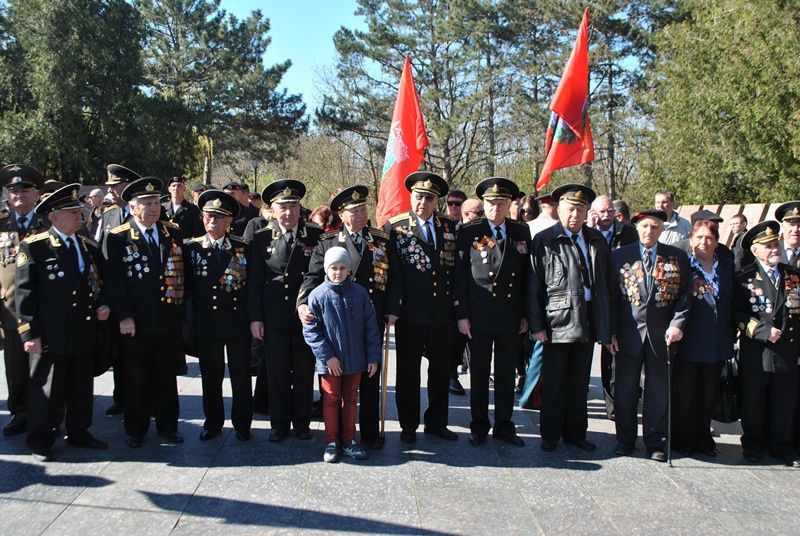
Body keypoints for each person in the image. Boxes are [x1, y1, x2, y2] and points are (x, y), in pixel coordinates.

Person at [298, 185, 400, 449]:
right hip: (335, 322)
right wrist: (302, 303)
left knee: (368, 377)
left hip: (369, 319)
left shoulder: (380, 239)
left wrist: (393, 308)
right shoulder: (328, 241)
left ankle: (368, 433)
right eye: (354, 211)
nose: (360, 215)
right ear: (341, 215)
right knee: (337, 383)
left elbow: (394, 278)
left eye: (363, 209)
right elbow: (311, 278)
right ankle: (338, 434)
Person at [15, 184, 110, 461]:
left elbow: (99, 281)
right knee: (47, 389)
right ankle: (40, 439)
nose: (78, 216)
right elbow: (25, 293)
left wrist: (104, 303)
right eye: (71, 213)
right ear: (54, 217)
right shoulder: (34, 246)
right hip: (51, 331)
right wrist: (29, 333)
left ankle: (79, 430)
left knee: (81, 385)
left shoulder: (86, 245)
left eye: (78, 211)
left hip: (82, 327)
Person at [527, 184, 613, 452]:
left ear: (587, 212)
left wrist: (606, 326)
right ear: (559, 210)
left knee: (579, 383)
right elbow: (533, 286)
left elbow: (606, 284)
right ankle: (550, 435)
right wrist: (536, 325)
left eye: (580, 209)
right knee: (554, 382)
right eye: (570, 209)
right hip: (557, 321)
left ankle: (576, 433)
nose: (575, 215)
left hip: (588, 319)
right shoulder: (544, 240)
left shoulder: (596, 239)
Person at [103, 177, 186, 447]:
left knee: (165, 376)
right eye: (146, 203)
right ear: (132, 207)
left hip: (167, 319)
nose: (154, 208)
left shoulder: (171, 232)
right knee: (136, 378)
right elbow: (114, 282)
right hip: (136, 322)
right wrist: (124, 316)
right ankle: (136, 430)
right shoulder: (118, 237)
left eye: (156, 203)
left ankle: (168, 426)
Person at [609, 209, 691, 462]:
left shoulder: (676, 257)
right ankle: (625, 439)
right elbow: (610, 298)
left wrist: (677, 324)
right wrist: (610, 332)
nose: (649, 231)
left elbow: (684, 295)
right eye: (645, 226)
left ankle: (656, 442)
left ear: (662, 229)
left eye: (655, 227)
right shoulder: (620, 256)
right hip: (627, 335)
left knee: (658, 393)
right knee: (625, 391)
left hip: (661, 337)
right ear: (637, 228)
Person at [456, 178, 531, 447]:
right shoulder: (469, 232)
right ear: (484, 205)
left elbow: (526, 278)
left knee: (505, 373)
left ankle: (504, 425)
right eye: (490, 204)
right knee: (478, 373)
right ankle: (478, 425)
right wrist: (461, 314)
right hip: (478, 314)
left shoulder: (521, 232)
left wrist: (525, 314)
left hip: (509, 314)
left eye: (501, 204)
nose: (495, 209)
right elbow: (460, 276)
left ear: (510, 204)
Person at [384, 172, 458, 443]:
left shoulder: (449, 226)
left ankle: (437, 422)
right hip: (410, 314)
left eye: (429, 198)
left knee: (440, 371)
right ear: (411, 197)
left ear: (437, 200)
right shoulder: (396, 227)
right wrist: (393, 308)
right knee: (407, 372)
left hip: (441, 313)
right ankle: (408, 424)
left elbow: (456, 271)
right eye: (418, 197)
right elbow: (391, 274)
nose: (423, 202)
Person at [248, 179, 323, 442]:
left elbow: (317, 275)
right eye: (283, 207)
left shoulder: (315, 234)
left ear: (300, 207)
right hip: (274, 316)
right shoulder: (260, 237)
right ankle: (279, 424)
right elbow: (255, 282)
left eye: (293, 206)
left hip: (306, 318)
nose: (288, 212)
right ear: (272, 209)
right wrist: (256, 319)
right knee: (277, 374)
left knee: (304, 372)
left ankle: (301, 423)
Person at [185, 190, 253, 442]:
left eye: (219, 217)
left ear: (229, 221)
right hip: (207, 324)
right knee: (210, 377)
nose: (212, 220)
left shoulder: (243, 248)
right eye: (208, 216)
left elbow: (251, 287)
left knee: (241, 376)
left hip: (237, 323)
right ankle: (213, 422)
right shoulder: (190, 248)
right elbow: (188, 288)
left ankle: (243, 424)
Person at [303, 247, 381, 462]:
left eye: (342, 268)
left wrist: (373, 357)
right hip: (330, 362)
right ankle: (330, 441)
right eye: (333, 268)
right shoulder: (317, 295)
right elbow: (311, 330)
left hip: (356, 358)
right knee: (330, 399)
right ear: (326, 269)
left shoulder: (360, 293)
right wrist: (327, 356)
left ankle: (349, 440)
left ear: (349, 270)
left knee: (351, 398)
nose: (338, 272)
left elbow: (371, 327)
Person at [734, 221, 800, 467]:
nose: (774, 249)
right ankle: (753, 445)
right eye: (768, 246)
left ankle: (782, 447)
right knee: (754, 402)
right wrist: (762, 331)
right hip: (758, 351)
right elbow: (738, 314)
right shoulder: (744, 278)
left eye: (775, 244)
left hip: (787, 352)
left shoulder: (793, 275)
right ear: (755, 251)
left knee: (784, 402)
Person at [673, 219, 735, 458]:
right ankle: (683, 439)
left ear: (717, 241)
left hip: (718, 340)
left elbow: (734, 301)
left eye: (709, 238)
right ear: (691, 240)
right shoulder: (683, 266)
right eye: (699, 237)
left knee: (708, 393)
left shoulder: (727, 266)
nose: (703, 243)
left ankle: (703, 438)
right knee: (685, 392)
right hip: (690, 339)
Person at [0, 164, 48, 437]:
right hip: (10, 310)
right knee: (16, 368)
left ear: (35, 194)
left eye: (25, 190)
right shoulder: (1, 224)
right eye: (14, 190)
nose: (19, 195)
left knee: (44, 367)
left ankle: (49, 412)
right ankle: (19, 413)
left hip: (43, 309)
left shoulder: (49, 221)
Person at [590, 195, 638, 419]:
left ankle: (616, 407)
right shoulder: (587, 233)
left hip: (620, 297)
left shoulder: (628, 232)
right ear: (594, 212)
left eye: (610, 211)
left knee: (615, 355)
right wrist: (590, 231)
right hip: (595, 298)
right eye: (602, 211)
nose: (606, 215)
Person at [518, 192, 559, 411]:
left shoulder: (528, 228)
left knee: (534, 349)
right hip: (544, 295)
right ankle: (530, 395)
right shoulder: (537, 229)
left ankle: (530, 392)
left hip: (533, 294)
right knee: (539, 350)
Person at [449, 198, 484, 395]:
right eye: (477, 213)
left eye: (482, 213)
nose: (482, 217)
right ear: (466, 214)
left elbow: (491, 253)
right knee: (456, 339)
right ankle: (452, 374)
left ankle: (476, 371)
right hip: (457, 292)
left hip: (478, 293)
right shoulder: (454, 233)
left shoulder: (484, 233)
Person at [163, 176, 204, 242]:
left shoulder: (193, 209)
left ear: (184, 189)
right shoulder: (162, 209)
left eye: (179, 186)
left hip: (186, 246)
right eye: (173, 186)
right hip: (167, 246)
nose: (176, 188)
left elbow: (199, 234)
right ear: (169, 189)